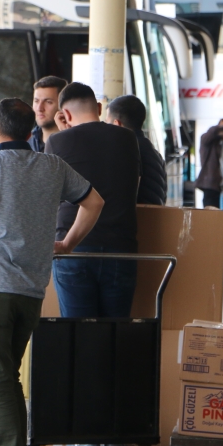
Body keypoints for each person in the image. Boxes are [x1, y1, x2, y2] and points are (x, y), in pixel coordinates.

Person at [0, 98, 104, 446]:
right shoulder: (53, 166)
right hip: (31, 290)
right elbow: (94, 202)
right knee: (7, 376)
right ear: (30, 132)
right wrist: (69, 243)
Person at [45, 82, 140, 318]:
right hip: (121, 248)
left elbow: (50, 195)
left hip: (74, 247)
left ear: (64, 114)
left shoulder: (57, 142)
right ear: (98, 107)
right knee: (116, 334)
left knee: (78, 333)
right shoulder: (128, 139)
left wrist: (62, 132)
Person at [106, 94, 167, 205]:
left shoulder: (126, 151)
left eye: (107, 122)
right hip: (154, 219)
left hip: (138, 220)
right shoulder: (155, 153)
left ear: (117, 124)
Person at [29, 76, 68, 153]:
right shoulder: (27, 142)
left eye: (48, 102)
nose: (39, 108)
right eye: (36, 101)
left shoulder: (73, 143)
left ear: (63, 105)